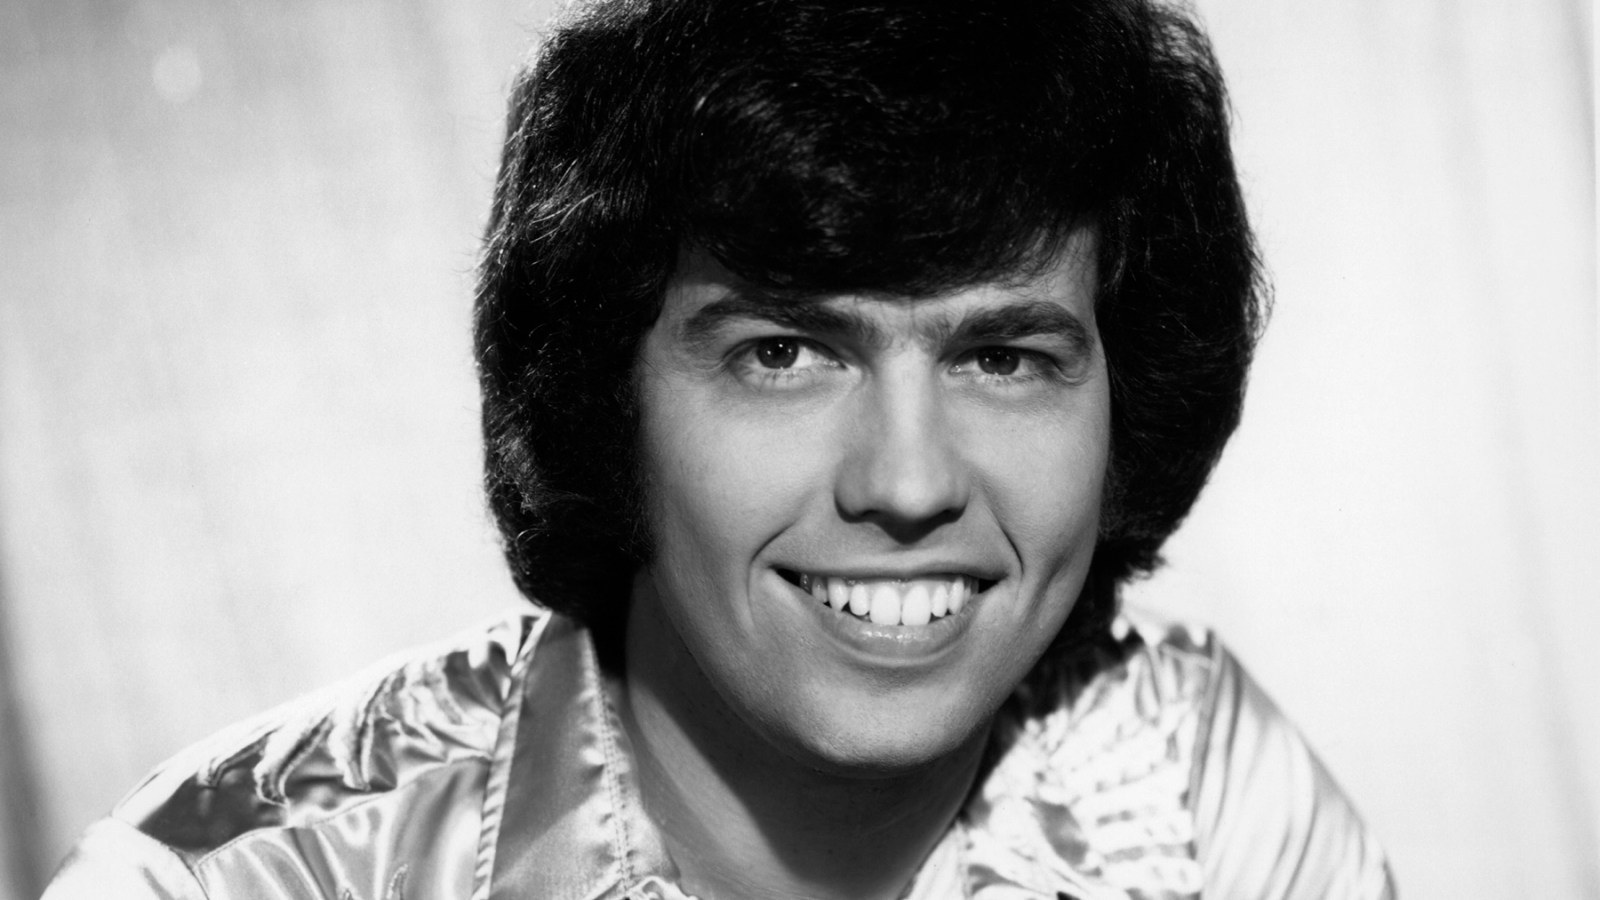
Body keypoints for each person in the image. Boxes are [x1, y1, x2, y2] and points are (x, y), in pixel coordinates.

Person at [43, 0, 1396, 897]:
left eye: (1003, 358)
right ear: (604, 400)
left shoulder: (1192, 790)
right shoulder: (231, 882)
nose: (909, 483)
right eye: (783, 354)